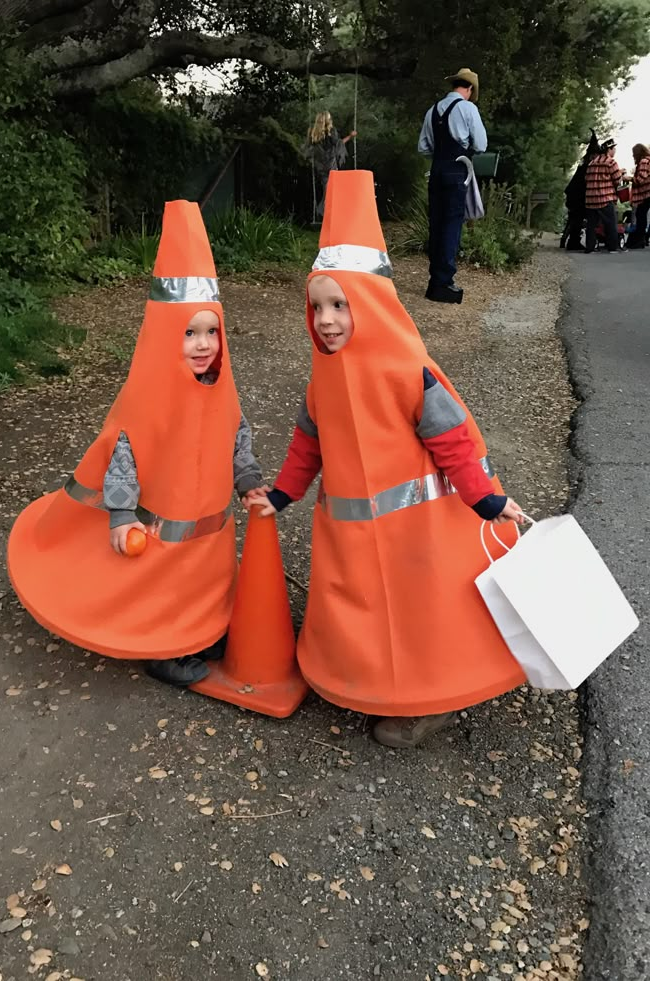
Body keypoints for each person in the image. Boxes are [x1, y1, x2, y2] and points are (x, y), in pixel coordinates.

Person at [245, 169, 527, 749]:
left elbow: (454, 445)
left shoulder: (408, 372)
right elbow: (308, 446)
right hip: (353, 535)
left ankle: (428, 704)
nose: (326, 321)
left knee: (418, 621)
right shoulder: (323, 382)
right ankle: (365, 681)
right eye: (317, 306)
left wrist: (488, 501)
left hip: (417, 538)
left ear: (370, 305)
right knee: (365, 610)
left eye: (340, 306)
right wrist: (280, 494)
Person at [8, 200, 265, 688]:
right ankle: (162, 647)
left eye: (212, 332)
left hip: (208, 532)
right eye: (189, 333)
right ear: (166, 337)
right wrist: (123, 517)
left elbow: (238, 436)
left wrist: (248, 479)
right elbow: (123, 459)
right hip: (161, 532)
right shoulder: (146, 399)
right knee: (166, 583)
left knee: (205, 577)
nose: (204, 343)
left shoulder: (222, 391)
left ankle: (204, 630)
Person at [418, 68, 487, 304]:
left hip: (436, 169)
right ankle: (444, 283)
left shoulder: (432, 111)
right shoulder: (468, 108)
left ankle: (434, 280)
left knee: (436, 224)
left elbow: (423, 147)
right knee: (451, 225)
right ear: (469, 89)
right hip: (457, 169)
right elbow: (481, 144)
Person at [303, 111, 357, 218]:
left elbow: (308, 148)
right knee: (332, 190)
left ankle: (326, 212)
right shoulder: (332, 132)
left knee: (327, 189)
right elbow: (339, 144)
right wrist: (350, 136)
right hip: (331, 166)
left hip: (320, 167)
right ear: (328, 121)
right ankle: (327, 211)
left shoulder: (313, 133)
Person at [560, 130, 600, 251]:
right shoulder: (588, 166)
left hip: (574, 195)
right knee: (577, 219)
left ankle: (571, 241)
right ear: (593, 154)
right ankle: (573, 242)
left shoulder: (584, 164)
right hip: (577, 197)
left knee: (575, 219)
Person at [584, 138, 624, 254]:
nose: (615, 151)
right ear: (609, 149)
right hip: (605, 198)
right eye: (614, 148)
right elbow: (617, 180)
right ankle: (612, 247)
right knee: (610, 223)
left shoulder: (592, 163)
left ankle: (589, 248)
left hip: (590, 199)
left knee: (591, 225)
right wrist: (622, 174)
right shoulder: (611, 162)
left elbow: (586, 179)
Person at [628, 143, 650, 249]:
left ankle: (640, 240)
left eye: (634, 154)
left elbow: (641, 179)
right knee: (641, 214)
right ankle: (641, 239)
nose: (633, 156)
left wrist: (630, 179)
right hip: (646, 193)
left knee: (641, 215)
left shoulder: (644, 161)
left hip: (647, 193)